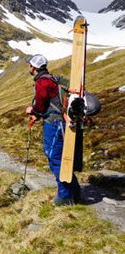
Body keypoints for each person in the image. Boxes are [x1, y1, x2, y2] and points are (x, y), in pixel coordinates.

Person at [25, 54, 81, 206]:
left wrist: (32, 111)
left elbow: (41, 105)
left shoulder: (42, 82)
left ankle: (65, 196)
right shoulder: (53, 78)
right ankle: (74, 191)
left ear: (33, 67)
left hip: (54, 124)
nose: (29, 67)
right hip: (63, 123)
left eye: (29, 65)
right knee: (61, 157)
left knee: (54, 157)